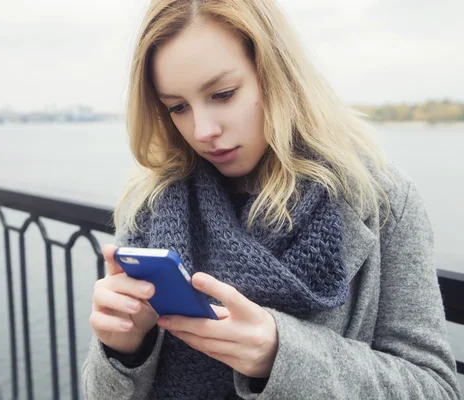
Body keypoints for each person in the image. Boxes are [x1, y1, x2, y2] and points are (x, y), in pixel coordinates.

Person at [81, 0, 462, 398]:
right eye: (178, 107)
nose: (203, 130)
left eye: (223, 94)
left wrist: (280, 353)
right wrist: (123, 349)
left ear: (277, 73)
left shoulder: (377, 197)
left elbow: (435, 387)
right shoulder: (153, 206)